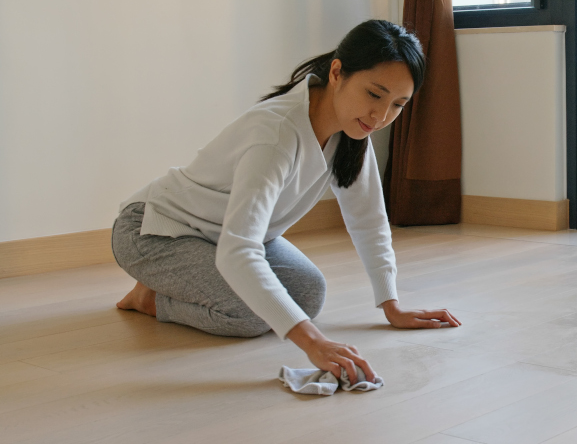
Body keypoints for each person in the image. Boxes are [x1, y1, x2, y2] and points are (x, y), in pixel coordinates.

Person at [110, 19, 460, 383]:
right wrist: (314, 343)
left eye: (397, 105)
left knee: (308, 293)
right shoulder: (275, 134)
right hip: (154, 230)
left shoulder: (352, 132)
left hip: (221, 235)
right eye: (375, 94)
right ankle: (147, 298)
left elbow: (368, 218)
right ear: (338, 72)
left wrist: (392, 305)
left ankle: (183, 282)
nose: (381, 116)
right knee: (247, 315)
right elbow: (238, 250)